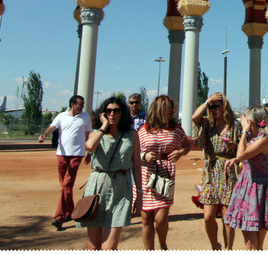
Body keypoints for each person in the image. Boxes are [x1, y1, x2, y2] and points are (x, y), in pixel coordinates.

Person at [78, 96, 142, 250]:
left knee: (109, 247)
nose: (112, 114)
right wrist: (104, 126)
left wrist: (139, 192)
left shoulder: (131, 134)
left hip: (121, 188)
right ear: (103, 113)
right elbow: (90, 146)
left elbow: (137, 165)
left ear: (123, 113)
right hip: (98, 187)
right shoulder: (96, 133)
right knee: (93, 247)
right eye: (108, 111)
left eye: (116, 110)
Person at [223, 105, 268, 250]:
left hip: (256, 189)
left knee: (252, 242)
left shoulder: (263, 140)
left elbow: (241, 155)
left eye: (245, 118)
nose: (242, 120)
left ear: (252, 121)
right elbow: (243, 156)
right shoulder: (256, 139)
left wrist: (244, 132)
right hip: (250, 186)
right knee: (253, 241)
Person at [138, 95, 191, 250]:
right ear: (159, 109)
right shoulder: (145, 129)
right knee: (146, 216)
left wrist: (180, 152)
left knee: (162, 216)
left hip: (165, 173)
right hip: (146, 172)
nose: (171, 111)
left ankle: (162, 244)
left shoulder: (177, 129)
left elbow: (187, 146)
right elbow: (135, 151)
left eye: (172, 108)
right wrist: (145, 155)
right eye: (168, 108)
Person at [192, 92, 241, 250]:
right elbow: (194, 118)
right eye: (211, 107)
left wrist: (234, 146)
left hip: (227, 169)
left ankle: (228, 248)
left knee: (227, 216)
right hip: (211, 171)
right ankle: (215, 245)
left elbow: (242, 147)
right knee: (208, 217)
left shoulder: (234, 125)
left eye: (217, 106)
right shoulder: (207, 124)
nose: (214, 109)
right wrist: (207, 101)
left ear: (224, 106)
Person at [38, 94, 92, 230]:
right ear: (73, 105)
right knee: (65, 185)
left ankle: (59, 217)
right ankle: (69, 212)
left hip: (76, 155)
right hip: (62, 154)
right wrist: (45, 135)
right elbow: (52, 127)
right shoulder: (61, 116)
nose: (83, 106)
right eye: (80, 104)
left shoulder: (85, 117)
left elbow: (88, 135)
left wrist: (88, 151)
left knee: (67, 184)